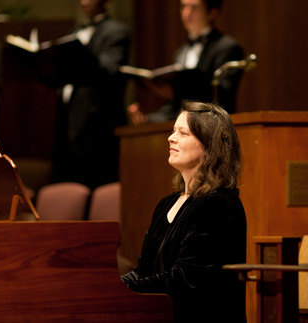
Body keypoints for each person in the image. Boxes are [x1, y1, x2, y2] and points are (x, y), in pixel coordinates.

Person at [121, 101, 247, 322]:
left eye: (183, 132)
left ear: (210, 145)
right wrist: (110, 285)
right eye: (173, 130)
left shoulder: (218, 204)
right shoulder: (166, 204)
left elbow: (186, 279)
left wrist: (121, 287)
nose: (171, 137)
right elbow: (144, 269)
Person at [51, 0, 130, 189]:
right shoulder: (74, 32)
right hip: (67, 128)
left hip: (96, 133)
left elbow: (108, 72)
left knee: (96, 192)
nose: (83, 1)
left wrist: (78, 56)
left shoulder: (116, 31)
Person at [128, 0, 244, 125]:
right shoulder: (181, 51)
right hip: (186, 127)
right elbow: (176, 105)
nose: (186, 13)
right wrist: (148, 119)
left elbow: (222, 98)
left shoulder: (227, 48)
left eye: (194, 8)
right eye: (183, 7)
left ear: (212, 13)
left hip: (213, 126)